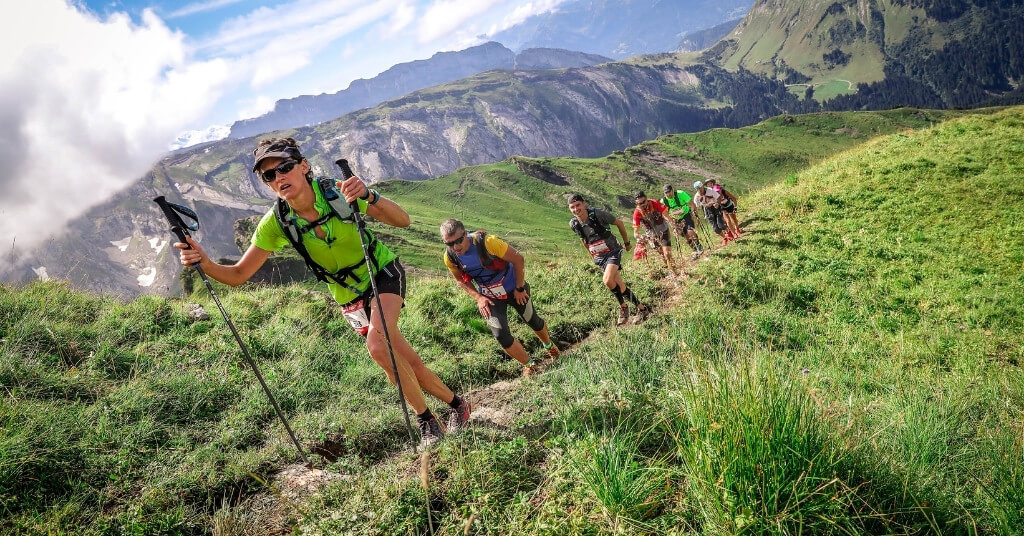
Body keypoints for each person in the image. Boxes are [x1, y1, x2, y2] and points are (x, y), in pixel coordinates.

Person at [174, 137, 469, 448]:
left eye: (284, 168)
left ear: (303, 166)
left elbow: (403, 220)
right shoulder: (277, 223)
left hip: (380, 272)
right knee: (403, 359)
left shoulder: (337, 194)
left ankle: (427, 423)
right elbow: (237, 275)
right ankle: (458, 406)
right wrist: (203, 262)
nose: (278, 178)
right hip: (348, 297)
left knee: (379, 348)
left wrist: (369, 195)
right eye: (268, 176)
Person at [440, 219, 560, 376]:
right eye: (449, 244)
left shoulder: (488, 242)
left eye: (458, 240)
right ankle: (530, 365)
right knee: (500, 335)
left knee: (532, 320)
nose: (456, 247)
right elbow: (460, 280)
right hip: (490, 296)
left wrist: (519, 288)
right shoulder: (450, 257)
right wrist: (478, 298)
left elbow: (518, 259)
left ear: (465, 234)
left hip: (514, 288)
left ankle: (549, 346)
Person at [567, 193, 651, 326]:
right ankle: (642, 309)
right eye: (572, 207)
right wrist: (592, 256)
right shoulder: (574, 223)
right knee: (620, 286)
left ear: (584, 204)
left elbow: (619, 223)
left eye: (578, 205)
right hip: (599, 256)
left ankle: (623, 307)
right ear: (569, 209)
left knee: (607, 280)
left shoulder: (598, 214)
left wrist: (627, 243)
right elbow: (584, 241)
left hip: (612, 250)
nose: (576, 209)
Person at [631, 191, 680, 278]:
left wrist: (674, 226)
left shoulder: (655, 203)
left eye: (643, 202)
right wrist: (640, 237)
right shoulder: (637, 213)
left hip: (663, 231)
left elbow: (666, 215)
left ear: (646, 199)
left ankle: (674, 272)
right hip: (652, 236)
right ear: (636, 203)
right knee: (662, 254)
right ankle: (672, 269)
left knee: (667, 253)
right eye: (639, 204)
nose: (642, 205)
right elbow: (635, 232)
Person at [660, 184, 704, 260]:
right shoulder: (663, 201)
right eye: (666, 193)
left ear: (672, 190)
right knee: (685, 236)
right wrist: (671, 222)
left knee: (690, 231)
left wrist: (694, 212)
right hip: (676, 220)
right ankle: (694, 251)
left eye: (669, 192)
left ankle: (699, 247)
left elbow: (692, 204)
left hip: (686, 215)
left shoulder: (681, 194)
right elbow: (664, 213)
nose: (668, 194)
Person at [693, 180, 733, 246]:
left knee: (721, 225)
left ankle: (729, 233)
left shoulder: (710, 190)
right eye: (697, 188)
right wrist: (696, 213)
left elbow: (718, 197)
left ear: (702, 186)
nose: (699, 189)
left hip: (716, 207)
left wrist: (717, 203)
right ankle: (724, 238)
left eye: (700, 187)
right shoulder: (696, 196)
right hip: (707, 210)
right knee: (716, 229)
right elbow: (696, 206)